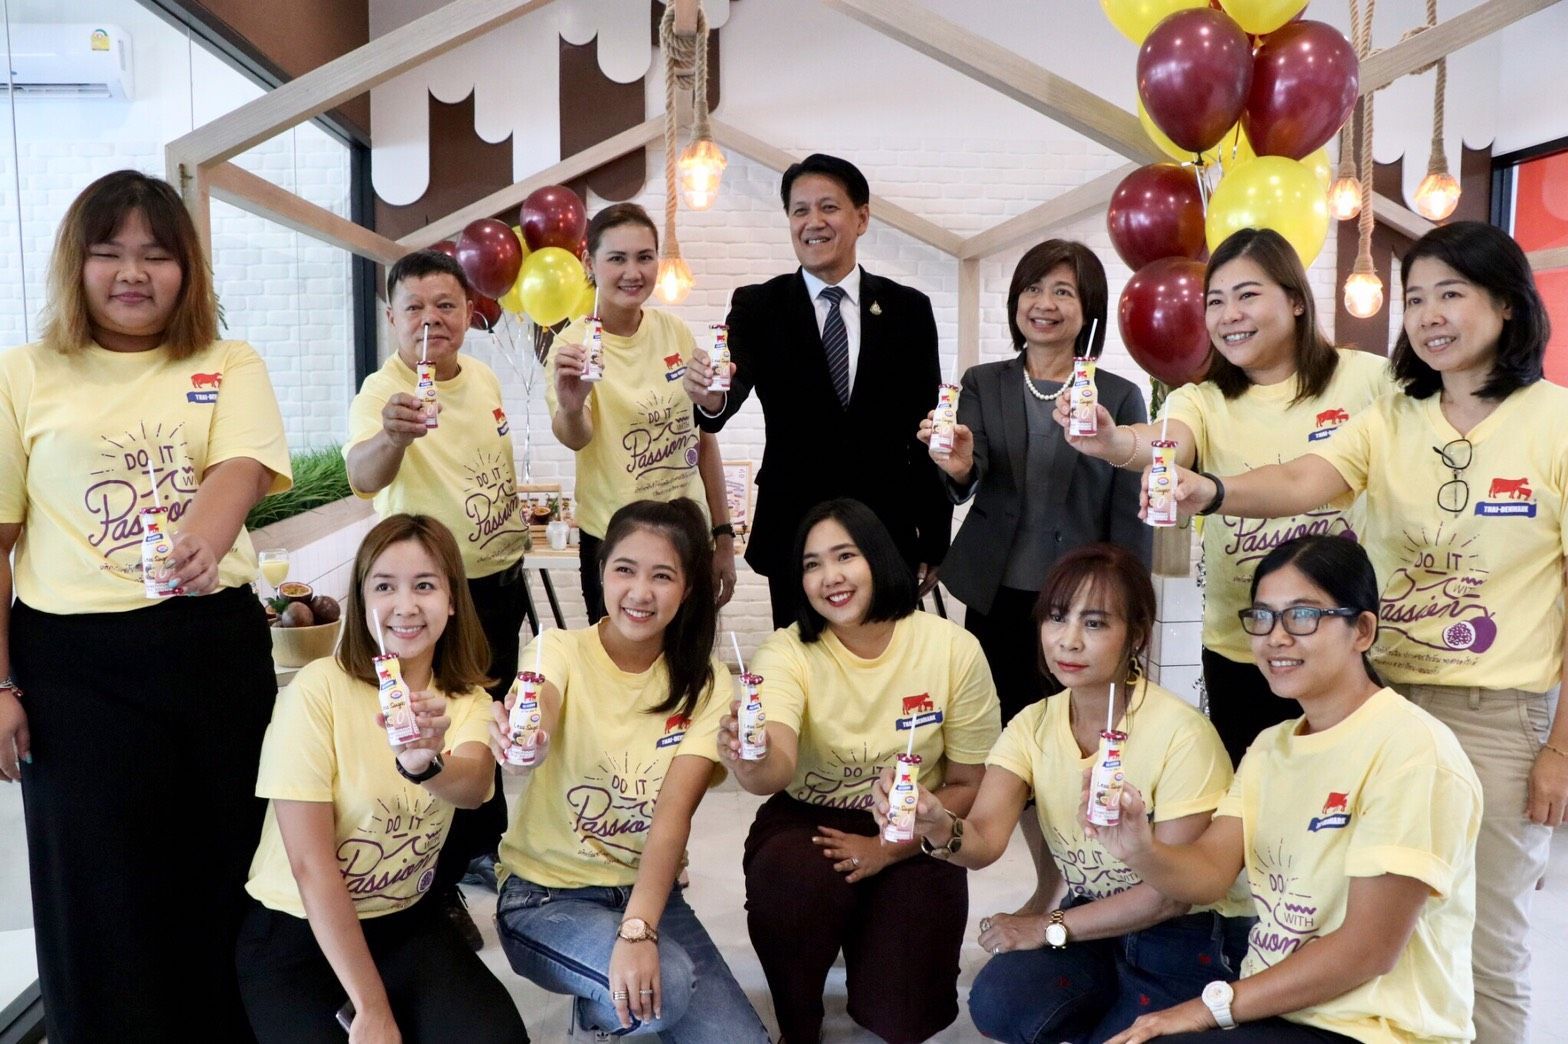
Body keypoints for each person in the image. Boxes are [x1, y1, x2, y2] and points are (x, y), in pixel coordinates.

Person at [1163, 221, 1567, 1043]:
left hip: (1496, 717)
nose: (1430, 316)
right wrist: (1209, 491)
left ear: (1506, 304)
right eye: (1415, 299)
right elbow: (1301, 479)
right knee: (1374, 928)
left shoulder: (1555, 422)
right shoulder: (1392, 414)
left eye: (1451, 294)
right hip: (1376, 704)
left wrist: (1560, 747)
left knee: (1486, 942)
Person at [0, 169, 292, 1039]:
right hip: (71, 671)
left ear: (187, 270)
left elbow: (239, 466)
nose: (133, 273)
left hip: (210, 650)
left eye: (156, 255)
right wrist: (1, 686)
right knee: (97, 890)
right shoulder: (23, 373)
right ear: (76, 264)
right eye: (110, 252)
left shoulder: (227, 362)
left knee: (227, 866)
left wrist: (201, 537)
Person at [1090, 536, 1481, 1043]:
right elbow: (1209, 874)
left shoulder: (1412, 749)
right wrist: (1139, 847)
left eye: (1302, 616)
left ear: (1362, 630)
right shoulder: (1272, 746)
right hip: (1280, 1009)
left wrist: (1209, 1008)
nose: (1276, 638)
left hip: (1371, 1029)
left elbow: (1368, 949)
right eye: (1263, 617)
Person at [872, 543, 1247, 1043]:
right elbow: (983, 840)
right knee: (998, 1001)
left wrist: (1048, 926)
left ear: (1136, 636)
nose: (1068, 640)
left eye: (1094, 623)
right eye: (1056, 617)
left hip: (1185, 934)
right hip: (1093, 910)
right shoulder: (1033, 724)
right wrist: (939, 824)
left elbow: (1169, 899)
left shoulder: (1182, 735)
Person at [1056, 227, 1391, 765]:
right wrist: (1112, 440)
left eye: (1247, 295)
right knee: (1250, 790)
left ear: (1297, 301)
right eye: (1215, 301)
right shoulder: (1202, 399)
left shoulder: (1368, 379)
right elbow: (1167, 442)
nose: (1229, 315)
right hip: (1244, 645)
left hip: (1340, 641)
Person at [235, 515, 529, 1042]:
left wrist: (426, 765)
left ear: (453, 599)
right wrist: (372, 1007)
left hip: (406, 921)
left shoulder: (467, 700)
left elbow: (471, 786)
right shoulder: (317, 690)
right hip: (300, 933)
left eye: (425, 586)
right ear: (362, 598)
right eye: (385, 586)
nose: (406, 605)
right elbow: (309, 865)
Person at [922, 239, 1151, 913]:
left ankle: (1089, 879)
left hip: (1082, 609)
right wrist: (957, 465)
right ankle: (1049, 880)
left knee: (1076, 747)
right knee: (1011, 745)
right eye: (1032, 288)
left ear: (1088, 311)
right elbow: (964, 475)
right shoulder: (984, 382)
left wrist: (1127, 607)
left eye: (1062, 292)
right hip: (999, 597)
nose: (1043, 304)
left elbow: (1131, 510)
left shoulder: (1119, 395)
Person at [491, 498, 767, 1043]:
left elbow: (671, 818)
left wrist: (638, 929)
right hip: (544, 898)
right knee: (669, 988)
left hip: (647, 892)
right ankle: (604, 1002)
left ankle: (606, 997)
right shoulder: (556, 651)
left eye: (662, 576)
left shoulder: (706, 683)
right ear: (601, 573)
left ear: (687, 589)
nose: (640, 593)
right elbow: (539, 703)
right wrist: (528, 737)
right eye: (625, 570)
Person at [724, 498, 1001, 1043]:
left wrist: (886, 849)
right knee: (793, 881)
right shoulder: (786, 652)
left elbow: (969, 783)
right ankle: (798, 1021)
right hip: (810, 821)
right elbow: (772, 773)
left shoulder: (952, 649)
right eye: (812, 564)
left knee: (902, 1015)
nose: (830, 577)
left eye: (845, 556)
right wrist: (749, 758)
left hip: (919, 823)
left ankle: (872, 945)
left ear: (878, 558)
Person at [345, 248, 533, 943]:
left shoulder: (482, 376)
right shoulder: (383, 391)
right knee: (438, 728)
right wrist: (392, 435)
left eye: (446, 304)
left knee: (488, 719)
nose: (432, 319)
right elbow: (363, 476)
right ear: (391, 317)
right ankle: (440, 882)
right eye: (415, 307)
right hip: (433, 599)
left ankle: (487, 847)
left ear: (469, 311)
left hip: (498, 583)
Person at [681, 154, 952, 627]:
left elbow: (929, 429)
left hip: (885, 531)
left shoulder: (908, 309)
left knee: (884, 662)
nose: (813, 222)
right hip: (795, 530)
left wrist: (934, 537)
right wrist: (710, 397)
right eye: (800, 210)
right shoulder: (759, 305)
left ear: (861, 218)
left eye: (828, 207)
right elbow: (728, 392)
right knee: (801, 661)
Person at [546, 203, 736, 621]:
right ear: (589, 263)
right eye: (617, 258)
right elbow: (576, 436)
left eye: (644, 257)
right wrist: (572, 406)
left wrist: (723, 535)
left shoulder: (674, 331)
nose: (633, 272)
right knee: (620, 659)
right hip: (615, 544)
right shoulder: (573, 347)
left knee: (689, 656)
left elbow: (703, 439)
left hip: (688, 537)